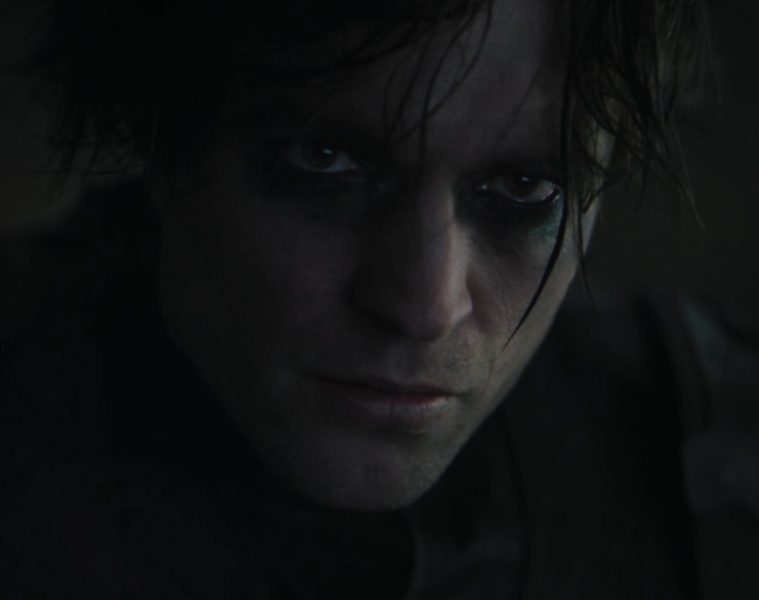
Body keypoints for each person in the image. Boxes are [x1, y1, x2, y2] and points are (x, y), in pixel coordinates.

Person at [2, 0, 756, 598]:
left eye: (524, 189)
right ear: (162, 133)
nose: (425, 308)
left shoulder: (713, 449)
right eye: (325, 161)